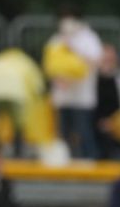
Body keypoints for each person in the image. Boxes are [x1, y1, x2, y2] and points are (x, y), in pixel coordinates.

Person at [43, 15, 102, 160]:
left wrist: (74, 50)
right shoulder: (56, 39)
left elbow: (96, 61)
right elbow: (50, 64)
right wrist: (59, 78)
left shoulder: (89, 39)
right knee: (63, 133)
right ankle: (65, 161)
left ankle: (88, 159)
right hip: (63, 96)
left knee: (84, 131)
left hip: (82, 97)